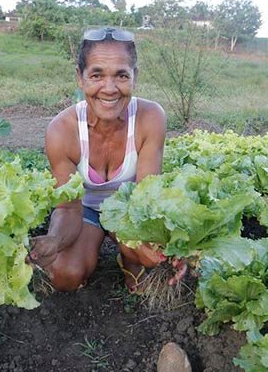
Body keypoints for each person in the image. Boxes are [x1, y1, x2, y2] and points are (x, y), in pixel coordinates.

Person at [28, 27, 186, 293]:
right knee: (65, 275)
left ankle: (128, 258)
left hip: (130, 211)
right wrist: (54, 241)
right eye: (97, 75)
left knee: (146, 258)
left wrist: (155, 245)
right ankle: (89, 251)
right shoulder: (62, 130)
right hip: (84, 212)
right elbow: (68, 208)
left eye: (122, 75)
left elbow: (146, 199)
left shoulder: (150, 117)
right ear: (80, 77)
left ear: (135, 77)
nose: (110, 89)